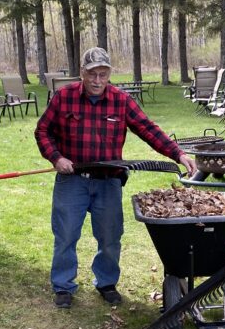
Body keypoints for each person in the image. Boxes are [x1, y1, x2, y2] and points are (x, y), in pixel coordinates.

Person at [35, 47, 197, 309]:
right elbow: (43, 130)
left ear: (109, 73)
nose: (98, 80)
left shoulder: (120, 100)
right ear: (82, 74)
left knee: (110, 237)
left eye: (103, 74)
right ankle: (63, 286)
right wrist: (56, 158)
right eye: (92, 74)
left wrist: (178, 154)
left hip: (108, 182)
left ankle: (107, 283)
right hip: (73, 179)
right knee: (65, 235)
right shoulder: (64, 97)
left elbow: (148, 129)